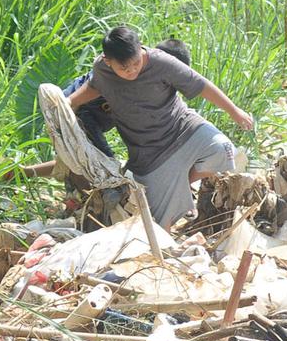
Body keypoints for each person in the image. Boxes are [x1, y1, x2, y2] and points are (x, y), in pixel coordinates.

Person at [67, 27, 255, 228]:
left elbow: (201, 84)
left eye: (136, 63)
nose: (132, 71)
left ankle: (181, 182)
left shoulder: (162, 62)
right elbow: (94, 87)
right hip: (147, 153)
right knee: (158, 224)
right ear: (107, 61)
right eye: (124, 68)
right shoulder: (102, 70)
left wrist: (235, 111)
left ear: (140, 49)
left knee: (224, 150)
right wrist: (69, 101)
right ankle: (173, 190)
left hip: (183, 128)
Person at [11, 38, 195, 180]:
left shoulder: (152, 87)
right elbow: (81, 100)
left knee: (84, 162)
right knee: (99, 166)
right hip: (76, 113)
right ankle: (82, 202)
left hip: (90, 118)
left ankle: (24, 173)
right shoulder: (124, 72)